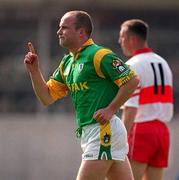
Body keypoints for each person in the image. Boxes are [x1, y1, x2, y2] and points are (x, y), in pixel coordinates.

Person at [24, 10, 139, 180]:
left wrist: (110, 109)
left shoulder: (99, 55)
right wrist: (34, 72)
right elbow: (46, 97)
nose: (58, 32)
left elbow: (132, 81)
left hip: (103, 131)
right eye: (59, 27)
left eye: (64, 27)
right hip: (94, 133)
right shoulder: (67, 63)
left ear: (81, 32)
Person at [119, 19, 174, 180]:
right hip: (162, 132)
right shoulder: (163, 63)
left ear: (132, 40)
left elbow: (130, 108)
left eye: (122, 37)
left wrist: (119, 141)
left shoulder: (131, 66)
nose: (120, 42)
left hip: (141, 131)